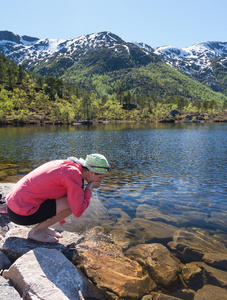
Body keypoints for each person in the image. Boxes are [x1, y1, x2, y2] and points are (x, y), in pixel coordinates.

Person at [5, 153, 110, 243]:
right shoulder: (73, 174)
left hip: (13, 207)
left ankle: (43, 227)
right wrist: (89, 188)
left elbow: (55, 186)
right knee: (72, 204)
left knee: (73, 199)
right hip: (20, 214)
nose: (100, 181)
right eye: (100, 177)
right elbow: (78, 210)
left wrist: (58, 215)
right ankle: (36, 232)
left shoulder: (70, 165)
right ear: (90, 173)